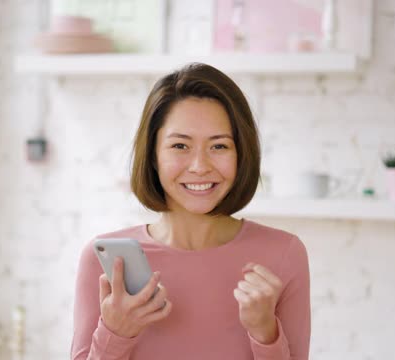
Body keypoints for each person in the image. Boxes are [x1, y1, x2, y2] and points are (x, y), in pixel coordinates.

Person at [71, 63, 310, 360]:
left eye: (219, 146)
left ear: (241, 155)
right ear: (154, 156)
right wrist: (116, 333)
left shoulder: (284, 254)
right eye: (180, 145)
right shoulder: (105, 263)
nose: (199, 166)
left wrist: (265, 333)